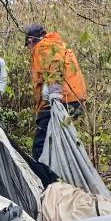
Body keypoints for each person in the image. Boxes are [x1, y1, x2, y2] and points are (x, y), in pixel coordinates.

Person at [24, 23, 88, 160]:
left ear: (30, 40)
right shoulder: (58, 44)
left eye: (28, 45)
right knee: (67, 142)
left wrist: (54, 91)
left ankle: (43, 177)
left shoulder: (44, 46)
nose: (29, 49)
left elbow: (54, 64)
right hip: (75, 99)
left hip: (59, 101)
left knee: (41, 145)